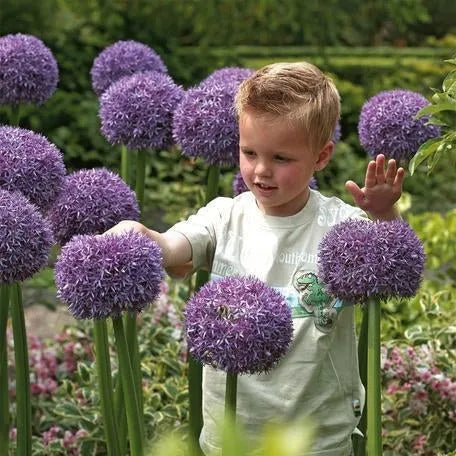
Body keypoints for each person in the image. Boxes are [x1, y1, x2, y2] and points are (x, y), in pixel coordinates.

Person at [106, 62, 404, 455]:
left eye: (281, 158)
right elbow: (176, 247)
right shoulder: (224, 216)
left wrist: (384, 216)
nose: (261, 170)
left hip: (317, 438)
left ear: (321, 156)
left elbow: (394, 267)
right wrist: (143, 236)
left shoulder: (342, 225)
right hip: (231, 434)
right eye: (249, 152)